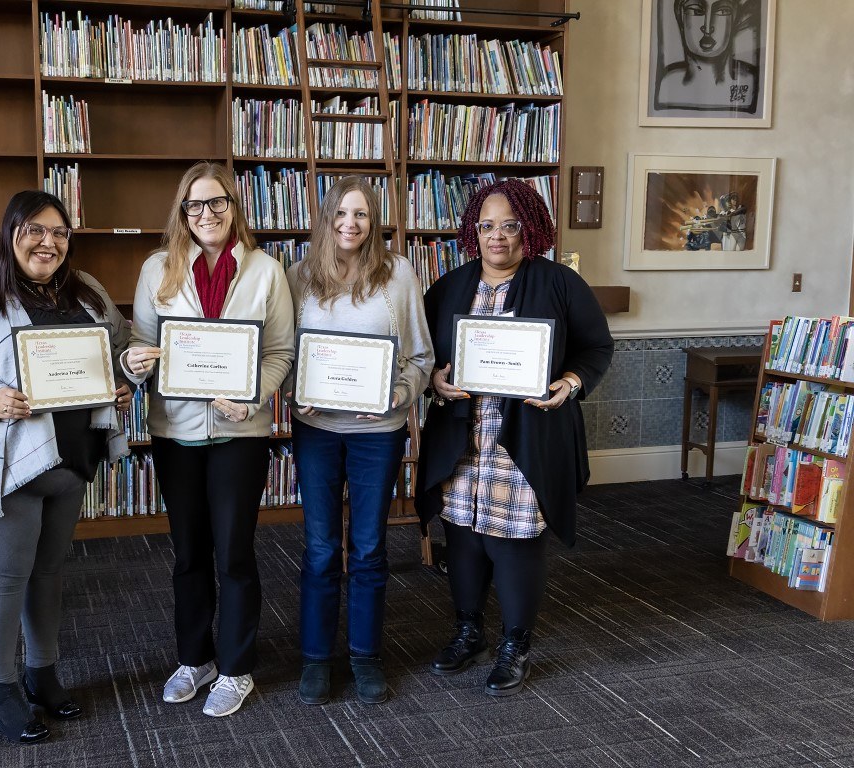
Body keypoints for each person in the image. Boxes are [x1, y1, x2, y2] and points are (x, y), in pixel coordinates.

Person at [0, 190, 135, 744]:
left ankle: (43, 675)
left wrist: (123, 384)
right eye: (35, 230)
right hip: (4, 467)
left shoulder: (87, 294)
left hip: (70, 461)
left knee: (48, 573)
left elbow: (121, 349)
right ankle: (0, 690)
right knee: (5, 577)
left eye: (60, 233)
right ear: (10, 232)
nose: (48, 242)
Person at [417, 179, 612, 697]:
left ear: (530, 228)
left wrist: (570, 384)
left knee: (515, 542)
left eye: (509, 225)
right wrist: (435, 379)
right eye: (486, 226)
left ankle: (515, 644)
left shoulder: (560, 283)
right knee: (462, 537)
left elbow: (596, 348)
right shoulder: (449, 288)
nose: (497, 236)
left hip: (526, 438)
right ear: (472, 231)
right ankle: (468, 632)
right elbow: (424, 358)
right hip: (463, 439)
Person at [122, 162, 294, 718]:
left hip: (240, 434)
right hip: (176, 433)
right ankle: (195, 659)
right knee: (189, 553)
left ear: (233, 206)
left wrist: (256, 397)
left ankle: (237, 667)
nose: (206, 214)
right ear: (182, 213)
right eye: (195, 206)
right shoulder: (156, 269)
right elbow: (141, 347)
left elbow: (280, 354)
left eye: (216, 202)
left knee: (235, 553)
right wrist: (133, 363)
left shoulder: (267, 270)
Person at [285, 177, 433, 705]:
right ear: (326, 219)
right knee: (322, 548)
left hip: (378, 434)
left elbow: (420, 357)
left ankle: (367, 656)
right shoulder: (299, 276)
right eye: (341, 214)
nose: (351, 224)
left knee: (368, 548)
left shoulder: (398, 275)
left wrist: (398, 394)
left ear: (375, 222)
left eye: (362, 215)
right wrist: (291, 393)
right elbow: (283, 354)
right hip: (318, 432)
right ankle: (317, 659)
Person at [656, 0, 760, 112]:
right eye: (696, 11)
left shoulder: (751, 83)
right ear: (681, 18)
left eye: (722, 11)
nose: (707, 28)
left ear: (734, 20)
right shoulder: (667, 86)